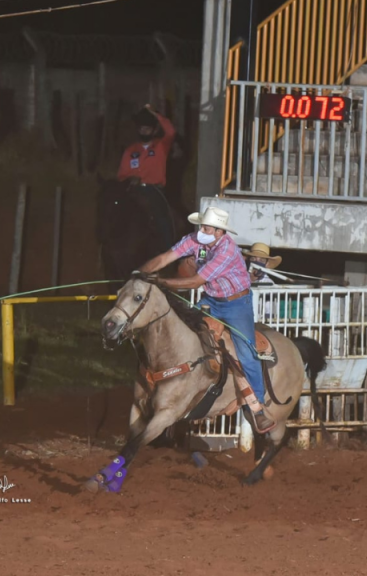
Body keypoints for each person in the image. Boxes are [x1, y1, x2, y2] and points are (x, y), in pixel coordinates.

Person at [138, 207, 275, 434]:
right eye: (201, 226)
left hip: (236, 305)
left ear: (220, 232)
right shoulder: (195, 241)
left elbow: (194, 281)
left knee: (246, 352)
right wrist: (140, 273)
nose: (201, 230)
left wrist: (161, 282)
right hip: (212, 298)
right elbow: (165, 258)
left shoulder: (227, 251)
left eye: (206, 227)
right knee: (185, 330)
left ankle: (257, 408)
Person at [118, 103, 177, 253]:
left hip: (153, 190)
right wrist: (130, 178)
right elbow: (121, 174)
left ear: (154, 130)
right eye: (141, 128)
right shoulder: (131, 150)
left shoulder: (160, 146)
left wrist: (155, 113)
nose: (144, 131)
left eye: (147, 128)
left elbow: (170, 131)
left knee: (162, 218)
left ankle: (168, 252)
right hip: (133, 190)